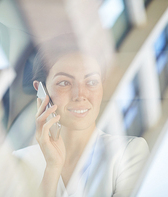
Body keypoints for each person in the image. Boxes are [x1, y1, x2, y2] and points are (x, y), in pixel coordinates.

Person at [13, 35, 149, 197]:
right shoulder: (19, 162)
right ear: (41, 90)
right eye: (64, 83)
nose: (80, 95)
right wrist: (52, 169)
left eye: (91, 82)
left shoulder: (129, 152)